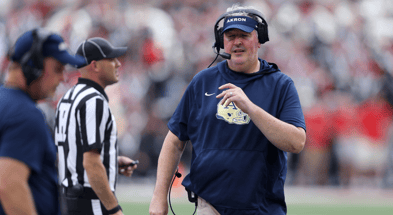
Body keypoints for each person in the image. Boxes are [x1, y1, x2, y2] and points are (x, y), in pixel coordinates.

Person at [150, 4, 306, 215]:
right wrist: (159, 197)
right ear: (221, 42)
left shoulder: (281, 85)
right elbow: (174, 141)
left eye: (244, 35)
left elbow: (297, 142)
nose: (237, 42)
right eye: (231, 36)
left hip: (262, 208)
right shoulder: (202, 82)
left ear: (259, 39)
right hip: (209, 206)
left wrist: (250, 108)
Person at [0, 28, 86, 215]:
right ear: (33, 65)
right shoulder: (24, 115)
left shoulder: (6, 104)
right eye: (57, 69)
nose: (62, 77)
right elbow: (10, 186)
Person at [54, 37, 137, 215]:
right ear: (96, 66)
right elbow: (91, 163)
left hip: (68, 200)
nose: (118, 64)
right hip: (91, 201)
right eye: (111, 59)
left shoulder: (67, 98)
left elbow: (67, 153)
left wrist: (111, 161)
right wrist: (114, 209)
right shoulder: (94, 101)